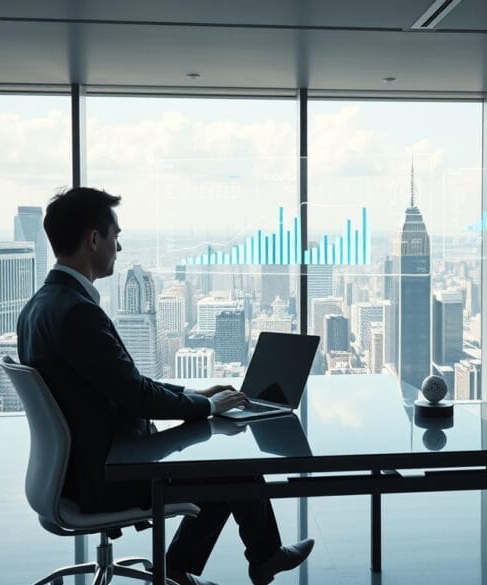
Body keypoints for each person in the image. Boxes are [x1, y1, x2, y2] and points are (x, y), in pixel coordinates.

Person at [16, 187, 313, 585]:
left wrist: (198, 397)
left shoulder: (39, 307)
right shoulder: (77, 314)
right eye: (114, 236)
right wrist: (206, 409)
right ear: (93, 239)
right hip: (104, 477)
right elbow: (135, 396)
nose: (118, 247)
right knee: (232, 470)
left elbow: (122, 384)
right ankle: (260, 558)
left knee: (217, 468)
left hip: (73, 470)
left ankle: (195, 566)